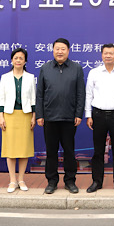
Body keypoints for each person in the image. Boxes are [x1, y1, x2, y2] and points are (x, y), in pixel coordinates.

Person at [36, 38, 85, 194]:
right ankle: (52, 181)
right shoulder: (45, 68)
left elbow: (80, 93)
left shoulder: (76, 68)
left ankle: (70, 181)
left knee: (69, 151)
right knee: (51, 151)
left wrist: (78, 113)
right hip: (49, 117)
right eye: (57, 49)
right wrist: (40, 114)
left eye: (63, 49)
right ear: (53, 50)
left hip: (69, 117)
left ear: (68, 51)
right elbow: (40, 94)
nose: (60, 52)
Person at [85, 44, 114, 194]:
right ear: (102, 55)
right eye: (105, 53)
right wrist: (88, 115)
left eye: (111, 53)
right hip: (98, 115)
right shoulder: (94, 72)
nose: (108, 56)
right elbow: (88, 94)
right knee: (98, 151)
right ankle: (96, 181)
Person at [0, 48, 36, 193]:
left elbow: (33, 98)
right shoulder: (5, 77)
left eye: (21, 58)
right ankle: (12, 180)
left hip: (25, 115)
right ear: (11, 60)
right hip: (9, 115)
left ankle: (21, 179)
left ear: (25, 61)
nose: (18, 60)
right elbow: (1, 98)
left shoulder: (30, 77)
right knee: (10, 149)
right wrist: (1, 116)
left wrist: (33, 116)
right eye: (16, 58)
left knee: (24, 149)